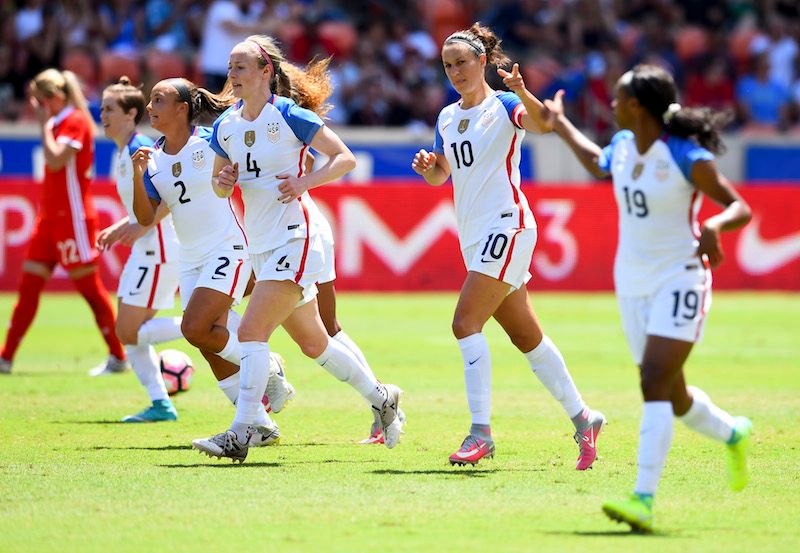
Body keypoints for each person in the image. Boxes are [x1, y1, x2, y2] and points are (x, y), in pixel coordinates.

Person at [544, 64, 753, 532]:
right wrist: (560, 125)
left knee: (653, 380)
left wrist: (715, 225)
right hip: (632, 283)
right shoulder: (622, 145)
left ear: (637, 106)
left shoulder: (685, 155)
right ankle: (733, 432)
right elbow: (596, 161)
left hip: (679, 279)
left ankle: (643, 499)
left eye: (618, 98)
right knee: (673, 395)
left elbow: (738, 206)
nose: (612, 104)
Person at [191, 34, 403, 463]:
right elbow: (217, 184)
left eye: (240, 67)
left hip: (296, 236)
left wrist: (305, 182)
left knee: (251, 332)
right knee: (314, 344)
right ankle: (382, 398)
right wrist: (223, 182)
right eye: (230, 67)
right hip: (261, 243)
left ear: (265, 71)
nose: (232, 75)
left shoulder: (288, 114)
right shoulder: (226, 125)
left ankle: (243, 430)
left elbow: (344, 158)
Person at [411, 23, 606, 469]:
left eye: (462, 62)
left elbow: (543, 124)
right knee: (525, 336)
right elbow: (443, 173)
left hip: (508, 226)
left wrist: (522, 90)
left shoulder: (503, 104)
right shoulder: (446, 117)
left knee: (465, 323)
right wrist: (428, 168)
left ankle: (480, 433)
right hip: (475, 236)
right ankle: (584, 417)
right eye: (448, 65)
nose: (455, 72)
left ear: (482, 61)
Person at [129, 77, 295, 446]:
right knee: (205, 340)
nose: (149, 107)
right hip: (190, 258)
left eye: (158, 99)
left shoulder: (210, 140)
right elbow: (144, 217)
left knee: (195, 327)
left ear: (182, 109)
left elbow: (255, 161)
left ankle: (267, 367)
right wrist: (138, 177)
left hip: (227, 248)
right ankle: (261, 424)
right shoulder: (151, 158)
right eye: (150, 100)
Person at [1, 69, 126, 375]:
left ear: (54, 98)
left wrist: (43, 125)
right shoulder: (58, 123)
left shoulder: (75, 121)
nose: (35, 107)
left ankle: (119, 356)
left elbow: (56, 159)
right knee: (28, 289)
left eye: (38, 101)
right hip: (48, 220)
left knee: (90, 290)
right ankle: (6, 358)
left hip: (72, 220)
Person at [95, 77, 182, 423]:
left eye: (109, 109)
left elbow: (171, 196)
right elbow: (142, 206)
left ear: (130, 114)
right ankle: (161, 404)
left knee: (128, 331)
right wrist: (123, 226)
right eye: (102, 108)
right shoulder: (124, 151)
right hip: (146, 249)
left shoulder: (142, 146)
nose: (102, 115)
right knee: (128, 333)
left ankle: (215, 324)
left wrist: (142, 226)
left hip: (158, 248)